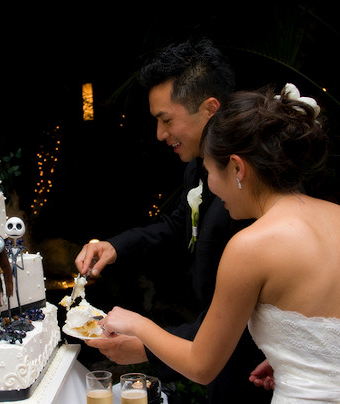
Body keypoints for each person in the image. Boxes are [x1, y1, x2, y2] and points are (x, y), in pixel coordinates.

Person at [99, 84, 340, 403]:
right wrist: (294, 355)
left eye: (211, 171)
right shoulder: (335, 215)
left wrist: (139, 325)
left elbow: (202, 367)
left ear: (238, 168)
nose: (210, 185)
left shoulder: (251, 245)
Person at [75, 39, 272, 403]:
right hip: (219, 361)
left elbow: (244, 323)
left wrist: (148, 345)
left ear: (210, 109)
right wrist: (115, 247)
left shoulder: (252, 196)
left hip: (255, 372)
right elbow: (177, 223)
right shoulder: (199, 171)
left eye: (166, 120)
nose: (160, 135)